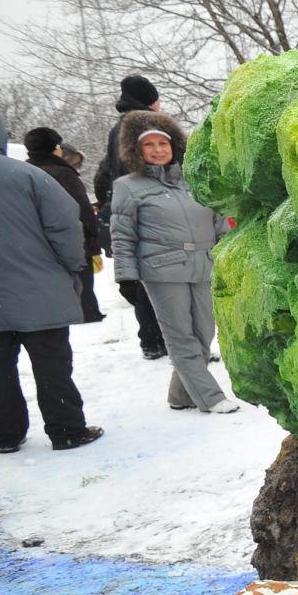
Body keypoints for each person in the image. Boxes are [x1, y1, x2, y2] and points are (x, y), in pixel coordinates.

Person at [0, 90, 104, 453]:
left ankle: (5, 434)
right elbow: (65, 226)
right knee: (52, 366)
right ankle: (66, 429)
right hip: (40, 291)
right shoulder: (27, 175)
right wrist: (69, 266)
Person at [110, 110, 243, 412]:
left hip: (205, 265)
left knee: (203, 335)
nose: (158, 150)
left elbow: (220, 223)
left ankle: (179, 395)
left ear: (174, 146)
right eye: (149, 145)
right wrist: (126, 277)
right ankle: (211, 398)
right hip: (163, 271)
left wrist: (228, 257)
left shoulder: (193, 181)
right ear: (136, 150)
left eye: (163, 143)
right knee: (181, 337)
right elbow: (122, 236)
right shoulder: (128, 187)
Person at [95, 73, 169, 360]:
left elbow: (104, 175)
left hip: (127, 209)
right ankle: (162, 340)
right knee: (158, 278)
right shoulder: (144, 125)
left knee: (143, 278)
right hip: (149, 211)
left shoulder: (119, 127)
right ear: (150, 100)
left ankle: (152, 340)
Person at [23, 126, 106, 324]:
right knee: (83, 278)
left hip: (37, 240)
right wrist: (93, 236)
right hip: (72, 236)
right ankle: (88, 313)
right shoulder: (64, 174)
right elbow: (81, 209)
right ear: (55, 148)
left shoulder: (24, 173)